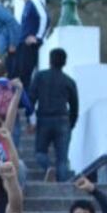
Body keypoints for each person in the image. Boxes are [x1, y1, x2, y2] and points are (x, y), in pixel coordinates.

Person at [29, 48, 79, 182]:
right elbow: (74, 106)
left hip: (44, 119)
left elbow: (31, 99)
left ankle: (49, 170)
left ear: (50, 60)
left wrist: (30, 119)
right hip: (63, 120)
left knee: (40, 154)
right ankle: (62, 186)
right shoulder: (69, 81)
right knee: (62, 159)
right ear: (64, 62)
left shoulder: (40, 76)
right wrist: (71, 124)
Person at [0, 62, 33, 147]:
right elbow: (27, 104)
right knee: (12, 148)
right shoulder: (15, 85)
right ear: (6, 73)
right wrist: (30, 120)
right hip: (14, 120)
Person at [14, 0, 48, 89]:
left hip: (30, 47)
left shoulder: (35, 2)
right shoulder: (27, 5)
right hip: (22, 46)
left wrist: (38, 38)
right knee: (17, 77)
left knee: (25, 78)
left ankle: (27, 105)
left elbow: (45, 18)